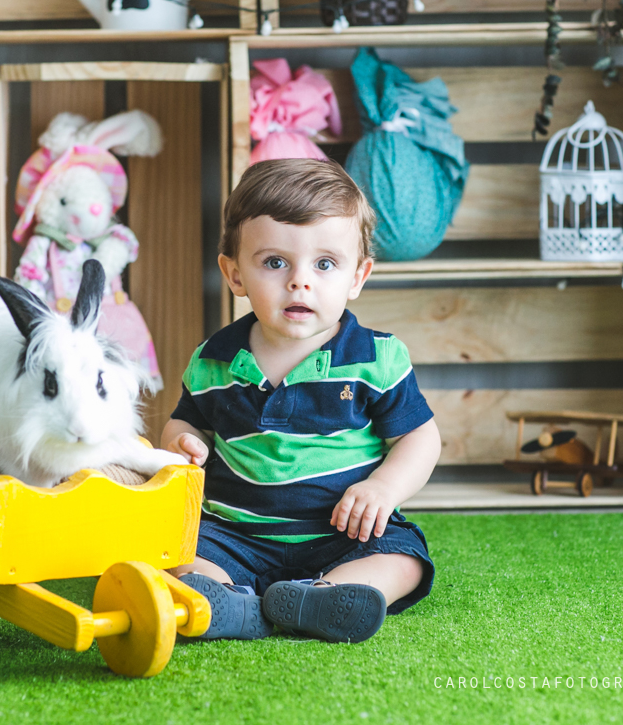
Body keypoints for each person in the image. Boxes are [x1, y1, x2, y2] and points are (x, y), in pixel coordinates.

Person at [162, 158, 441, 644]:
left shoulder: (375, 359)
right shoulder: (214, 361)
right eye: (274, 262)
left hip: (343, 534)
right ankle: (225, 599)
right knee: (173, 549)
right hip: (235, 534)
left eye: (325, 264)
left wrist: (384, 489)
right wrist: (183, 444)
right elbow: (183, 426)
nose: (299, 281)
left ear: (358, 276)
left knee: (403, 558)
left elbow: (420, 438)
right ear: (234, 275)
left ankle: (327, 594)